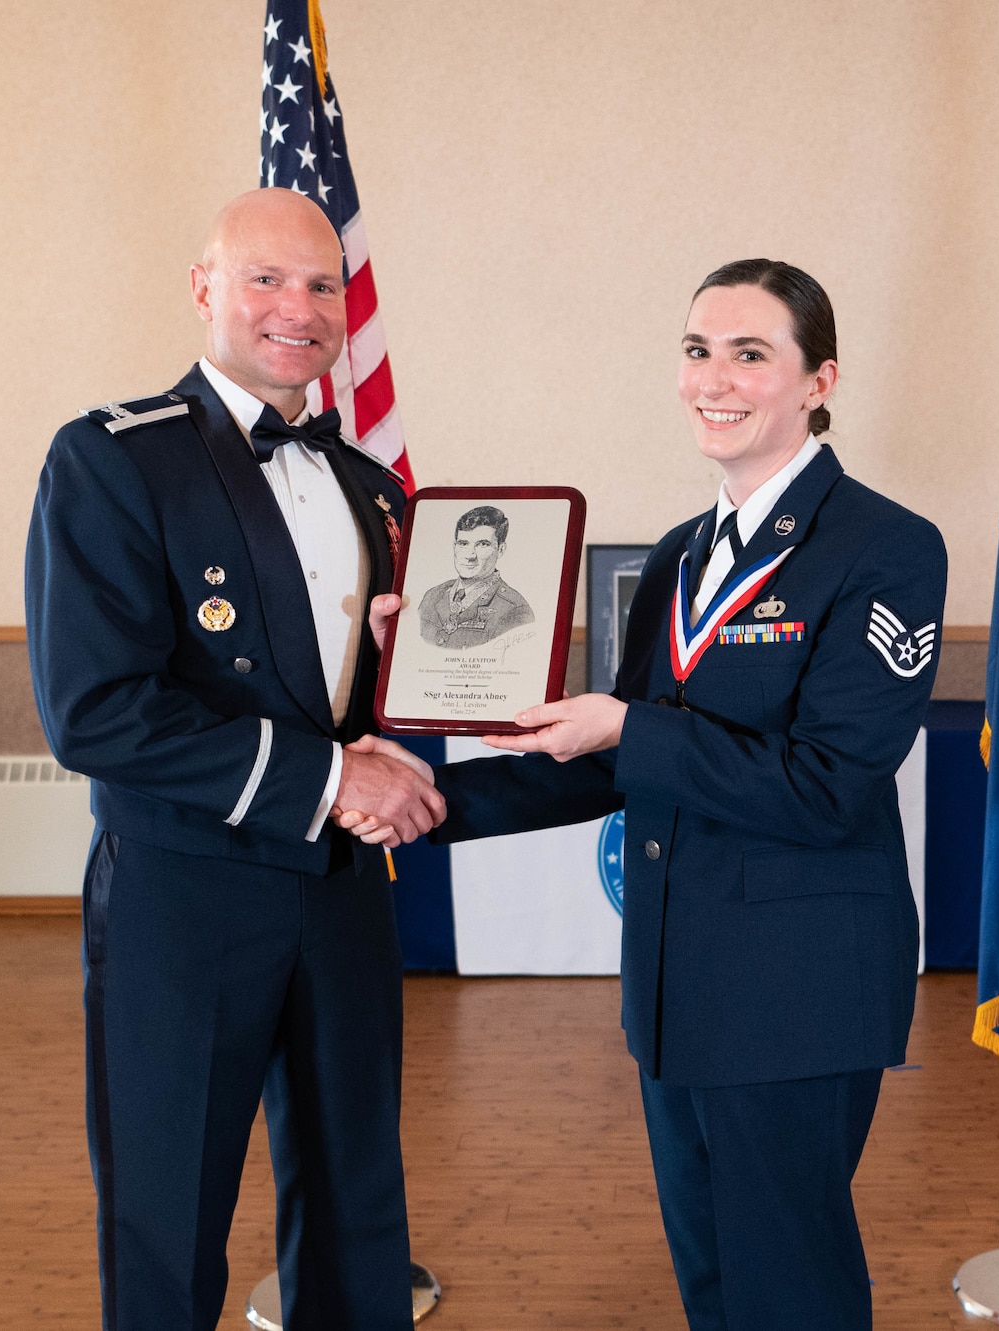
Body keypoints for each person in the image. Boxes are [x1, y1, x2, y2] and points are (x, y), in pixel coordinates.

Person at [344, 259, 947, 1331]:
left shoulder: (886, 546)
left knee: (788, 1280)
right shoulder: (677, 555)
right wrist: (428, 794)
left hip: (797, 991)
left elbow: (829, 786)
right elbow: (608, 758)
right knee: (712, 1274)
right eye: (696, 349)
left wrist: (628, 725)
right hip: (675, 981)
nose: (713, 377)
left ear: (819, 379)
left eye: (749, 352)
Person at [24, 188, 444, 1331]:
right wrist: (326, 778)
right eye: (264, 279)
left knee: (357, 1196)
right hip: (185, 890)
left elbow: (357, 699)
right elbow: (95, 712)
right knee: (167, 1210)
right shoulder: (111, 460)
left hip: (340, 890)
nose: (295, 309)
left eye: (320, 286)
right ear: (205, 287)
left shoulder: (373, 487)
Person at [418, 504, 535, 648]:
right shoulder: (432, 596)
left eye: (483, 544)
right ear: (454, 546)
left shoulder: (515, 610)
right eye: (463, 543)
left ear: (500, 549)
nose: (470, 555)